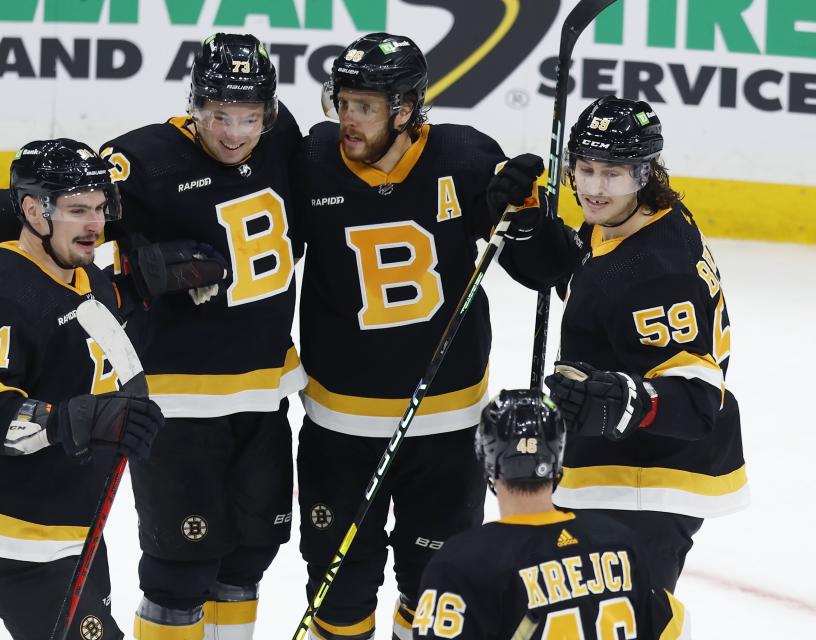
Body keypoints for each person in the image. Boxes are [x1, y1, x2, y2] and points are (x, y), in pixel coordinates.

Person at [0, 33, 304, 640]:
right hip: (175, 400)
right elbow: (69, 198)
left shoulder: (284, 139)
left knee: (249, 559)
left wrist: (143, 283)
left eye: (250, 116)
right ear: (195, 103)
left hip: (263, 393)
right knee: (179, 570)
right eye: (219, 114)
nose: (234, 132)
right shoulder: (144, 159)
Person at [291, 33, 542, 640]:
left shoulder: (464, 155)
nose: (347, 119)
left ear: (405, 109)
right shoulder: (313, 159)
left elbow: (546, 271)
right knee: (340, 599)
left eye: (365, 107)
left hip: (447, 429)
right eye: (341, 102)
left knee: (438, 596)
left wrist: (528, 210)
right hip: (339, 430)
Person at [0, 138, 163, 640]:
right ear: (32, 211)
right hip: (1, 527)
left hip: (62, 513)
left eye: (100, 208)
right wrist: (80, 420)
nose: (95, 224)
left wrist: (143, 284)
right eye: (77, 210)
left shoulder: (79, 270)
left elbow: (74, 327)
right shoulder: (2, 290)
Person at [496, 95, 749, 592]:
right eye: (584, 169)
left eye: (611, 173)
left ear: (644, 173)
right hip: (617, 460)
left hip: (647, 480)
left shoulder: (657, 271)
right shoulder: (638, 220)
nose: (593, 188)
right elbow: (588, 283)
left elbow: (699, 402)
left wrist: (626, 400)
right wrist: (529, 229)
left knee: (621, 620)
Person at [414, 389, 692, 639]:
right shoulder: (621, 546)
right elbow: (676, 628)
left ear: (487, 462)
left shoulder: (461, 564)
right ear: (557, 459)